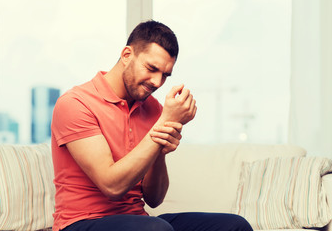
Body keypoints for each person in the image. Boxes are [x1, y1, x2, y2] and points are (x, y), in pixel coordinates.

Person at [51, 20, 253, 231]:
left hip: (139, 220)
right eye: (151, 68)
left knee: (235, 226)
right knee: (156, 229)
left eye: (165, 75)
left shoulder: (153, 109)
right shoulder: (75, 103)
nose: (157, 82)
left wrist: (161, 151)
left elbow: (154, 199)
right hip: (81, 223)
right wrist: (162, 125)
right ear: (127, 55)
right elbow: (112, 186)